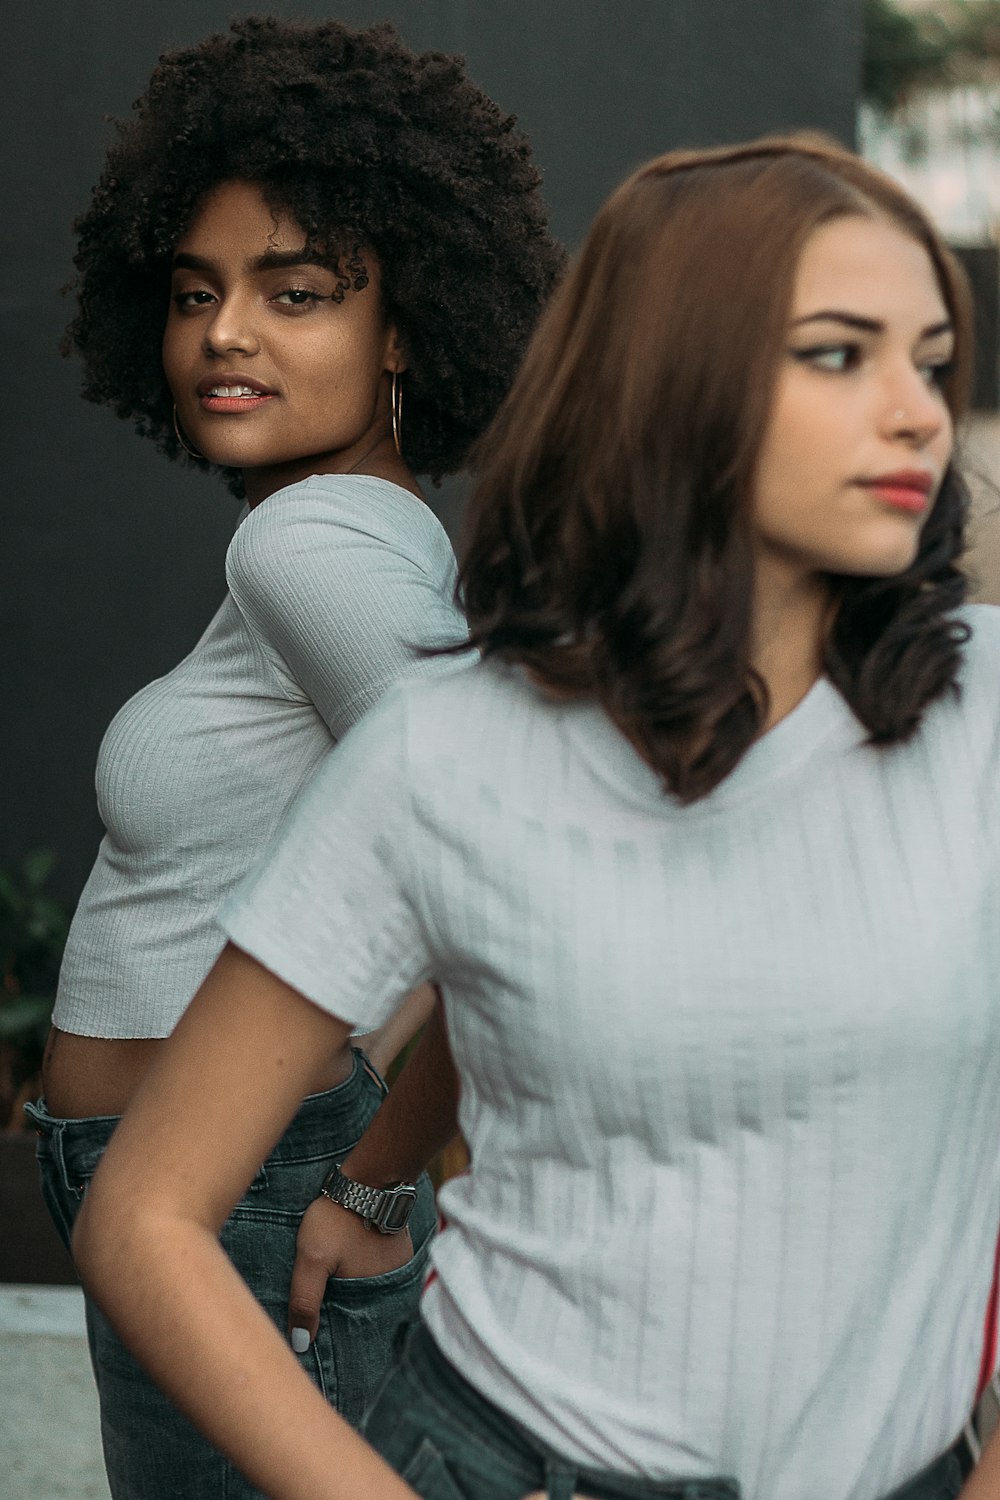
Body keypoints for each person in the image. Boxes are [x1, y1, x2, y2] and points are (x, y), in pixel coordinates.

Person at [72, 133, 1000, 1500]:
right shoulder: (447, 753)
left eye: (930, 360)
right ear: (674, 376)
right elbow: (144, 1212)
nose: (919, 411)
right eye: (837, 353)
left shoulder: (982, 718)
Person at [29, 16, 562, 1499]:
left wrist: (381, 1158)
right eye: (196, 293)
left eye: (298, 291)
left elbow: (504, 840)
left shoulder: (307, 540)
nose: (224, 335)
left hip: (245, 1210)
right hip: (229, 1198)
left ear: (405, 331)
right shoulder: (368, 537)